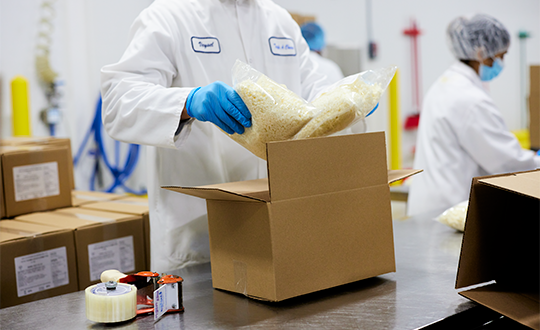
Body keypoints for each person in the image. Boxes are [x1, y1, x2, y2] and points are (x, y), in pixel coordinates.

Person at [101, 0, 332, 272]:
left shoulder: (280, 21)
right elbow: (119, 103)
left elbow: (317, 87)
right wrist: (188, 102)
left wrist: (348, 98)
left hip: (279, 227)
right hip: (198, 240)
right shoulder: (169, 15)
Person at [407, 14, 540, 217]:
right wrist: (535, 160)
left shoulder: (445, 84)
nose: (502, 62)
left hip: (430, 204)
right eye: (501, 56)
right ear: (481, 53)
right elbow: (506, 161)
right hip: (448, 209)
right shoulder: (469, 98)